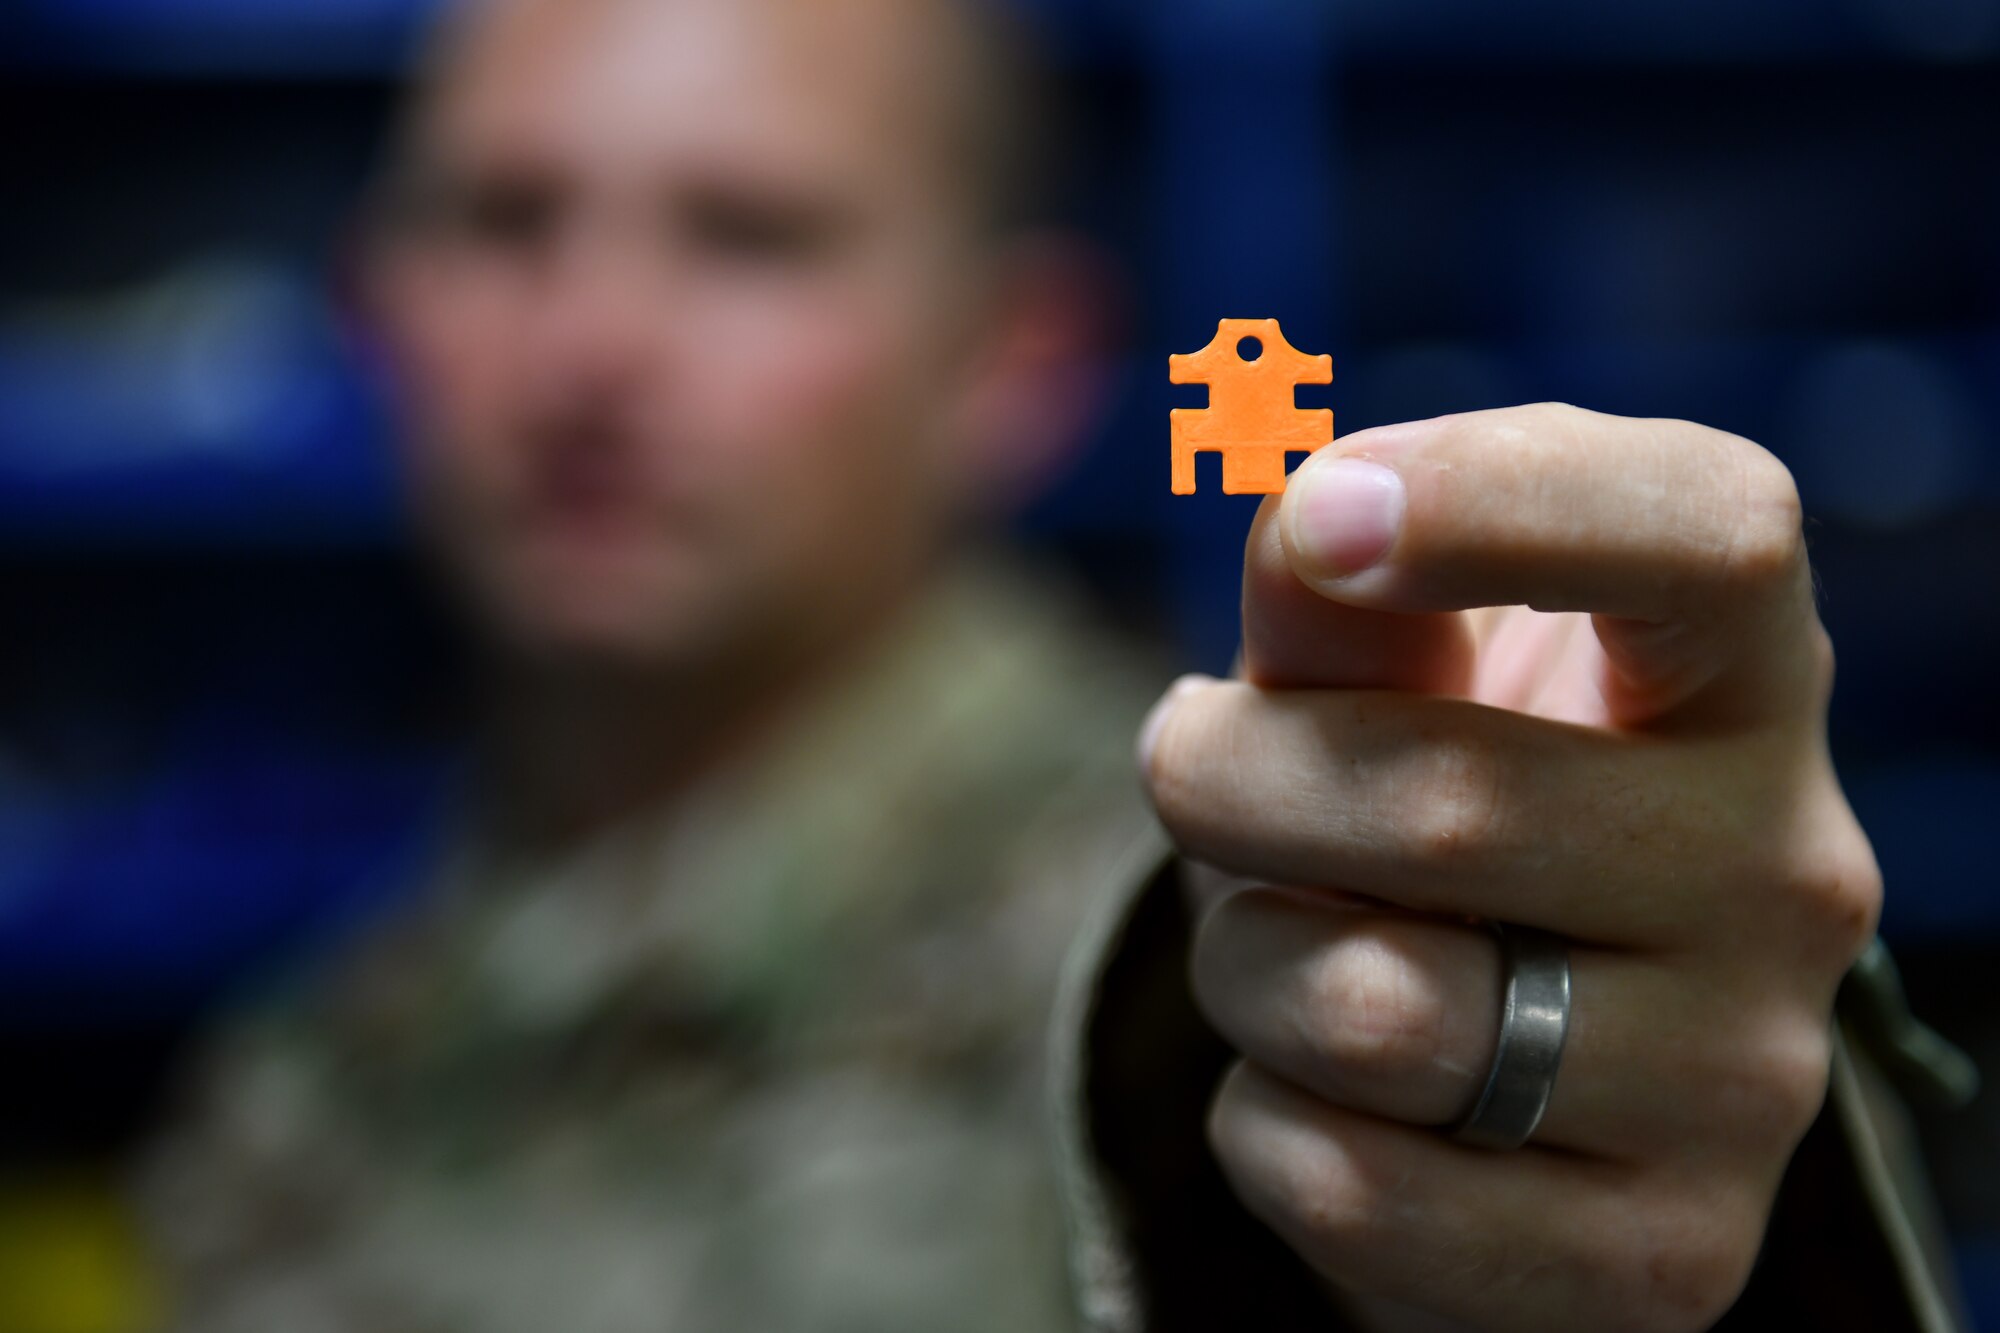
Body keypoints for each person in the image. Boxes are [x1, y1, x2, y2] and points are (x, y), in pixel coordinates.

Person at [113, 1, 1971, 1331]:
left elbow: (1594, 1151)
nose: (592, 343)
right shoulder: (304, 1067)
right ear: (376, 313)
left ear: (1017, 364)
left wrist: (1667, 1136)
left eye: (749, 236)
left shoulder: (1256, 905)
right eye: (505, 220)